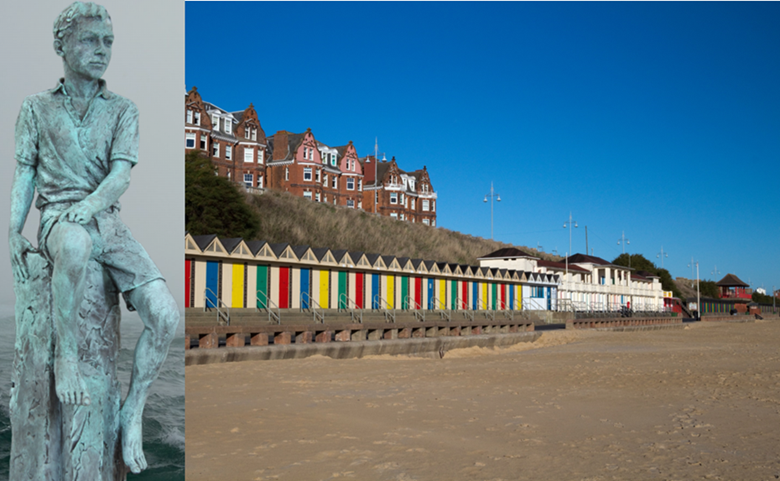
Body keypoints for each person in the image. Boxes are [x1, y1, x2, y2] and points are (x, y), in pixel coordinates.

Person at [8, 2, 178, 474]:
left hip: (108, 221)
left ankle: (132, 410)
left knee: (165, 315)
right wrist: (11, 231)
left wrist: (93, 206)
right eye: (90, 40)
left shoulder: (124, 109)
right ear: (61, 45)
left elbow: (121, 176)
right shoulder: (36, 108)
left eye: (108, 41)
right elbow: (25, 173)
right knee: (76, 246)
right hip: (59, 218)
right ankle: (66, 361)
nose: (101, 50)